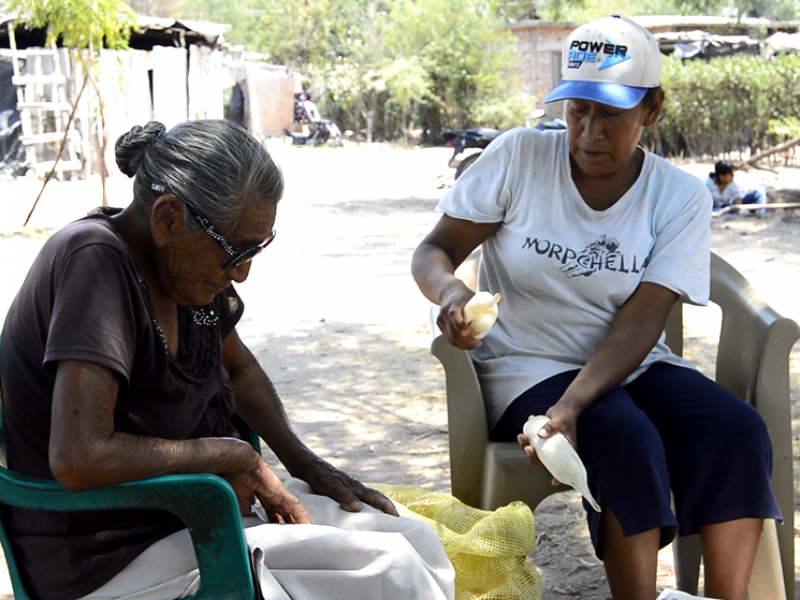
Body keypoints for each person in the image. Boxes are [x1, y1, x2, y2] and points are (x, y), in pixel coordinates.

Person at [0, 119, 454, 600]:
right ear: (168, 219)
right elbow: (78, 456)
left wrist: (308, 464)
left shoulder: (186, 268)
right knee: (391, 571)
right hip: (108, 555)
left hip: (195, 512)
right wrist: (228, 455)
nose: (242, 273)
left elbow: (237, 369)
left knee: (413, 540)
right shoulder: (94, 260)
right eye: (235, 251)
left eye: (257, 247)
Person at [411, 15, 780, 600]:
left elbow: (642, 320)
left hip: (633, 362)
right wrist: (453, 294)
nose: (589, 131)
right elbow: (436, 250)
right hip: (525, 367)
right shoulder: (519, 159)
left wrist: (574, 402)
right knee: (625, 438)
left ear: (652, 109)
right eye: (577, 109)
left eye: (611, 113)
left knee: (737, 431)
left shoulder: (677, 196)